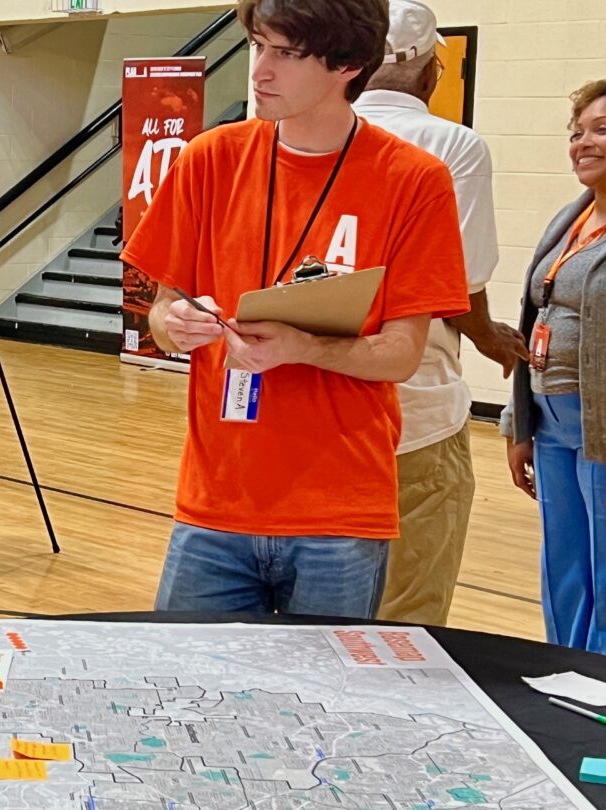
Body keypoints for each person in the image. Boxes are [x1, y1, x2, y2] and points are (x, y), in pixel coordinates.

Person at [121, 0, 470, 618]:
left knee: (328, 707)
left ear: (348, 64)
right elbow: (161, 311)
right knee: (183, 693)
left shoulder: (413, 181)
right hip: (214, 506)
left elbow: (400, 355)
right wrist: (171, 323)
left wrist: (302, 347)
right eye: (258, 46)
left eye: (285, 53)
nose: (260, 71)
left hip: (339, 514)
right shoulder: (210, 159)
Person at [352, 0, 529, 625]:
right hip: (417, 406)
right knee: (409, 614)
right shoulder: (453, 146)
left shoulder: (312, 139)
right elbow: (462, 280)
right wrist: (489, 338)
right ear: (431, 76)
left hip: (321, 411)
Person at [502, 76, 606, 667]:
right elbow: (531, 318)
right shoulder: (571, 217)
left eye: (601, 129)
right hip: (551, 426)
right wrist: (520, 425)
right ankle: (568, 684)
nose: (582, 143)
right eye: (576, 133)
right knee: (565, 575)